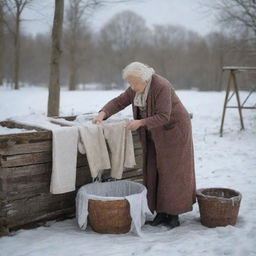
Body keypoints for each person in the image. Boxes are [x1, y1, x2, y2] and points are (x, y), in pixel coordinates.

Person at [92, 62, 196, 229]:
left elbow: (163, 115)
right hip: (155, 131)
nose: (131, 87)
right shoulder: (137, 86)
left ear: (144, 79)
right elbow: (120, 101)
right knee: (153, 168)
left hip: (174, 131)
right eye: (129, 83)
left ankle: (173, 215)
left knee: (172, 172)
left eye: (133, 83)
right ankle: (161, 213)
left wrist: (140, 122)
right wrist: (102, 114)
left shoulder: (161, 86)